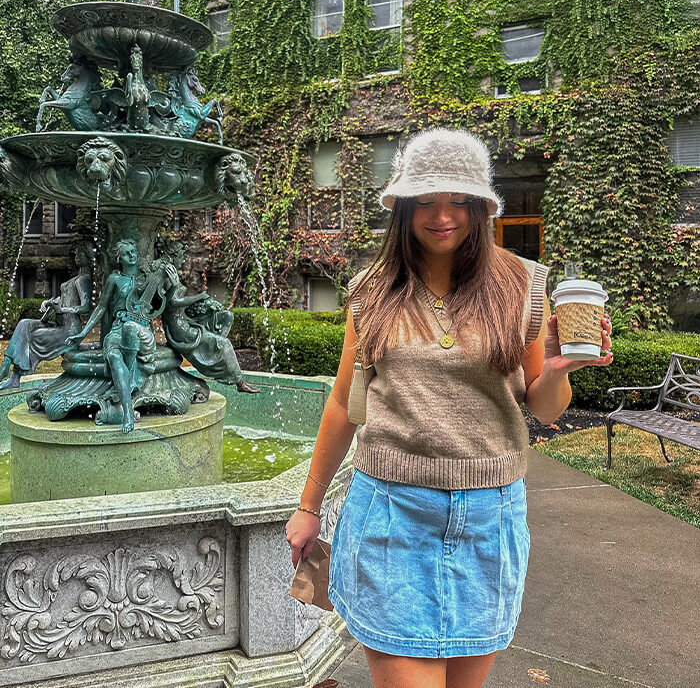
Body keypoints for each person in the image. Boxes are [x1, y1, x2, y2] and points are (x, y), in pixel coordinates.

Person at [284, 128, 613, 688]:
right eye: (427, 200)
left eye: (459, 199)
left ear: (481, 207)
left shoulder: (521, 285)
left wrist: (558, 372)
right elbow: (345, 401)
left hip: (489, 519)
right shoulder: (372, 290)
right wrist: (309, 505)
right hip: (391, 513)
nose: (443, 215)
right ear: (404, 206)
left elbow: (545, 406)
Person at [66, 238, 157, 433]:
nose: (132, 255)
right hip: (117, 329)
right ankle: (127, 411)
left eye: (133, 251)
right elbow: (101, 307)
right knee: (115, 355)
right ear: (119, 258)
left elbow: (165, 302)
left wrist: (173, 282)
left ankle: (129, 373)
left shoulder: (146, 277)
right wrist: (83, 333)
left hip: (141, 330)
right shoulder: (114, 280)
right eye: (127, 253)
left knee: (130, 329)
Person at [158, 238, 260, 393]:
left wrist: (205, 305)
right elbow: (171, 303)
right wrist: (201, 296)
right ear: (173, 256)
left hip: (185, 319)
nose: (183, 259)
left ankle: (209, 350)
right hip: (178, 328)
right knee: (225, 344)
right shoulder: (166, 274)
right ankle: (240, 383)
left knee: (226, 316)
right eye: (181, 256)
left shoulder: (171, 272)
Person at [0, 244, 93, 389]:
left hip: (68, 330)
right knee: (24, 323)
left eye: (80, 254)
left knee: (34, 335)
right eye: (76, 254)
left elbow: (86, 308)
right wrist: (49, 303)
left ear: (88, 257)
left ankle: (14, 375)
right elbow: (63, 300)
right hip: (59, 323)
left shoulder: (84, 279)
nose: (76, 257)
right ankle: (7, 365)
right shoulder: (76, 278)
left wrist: (62, 309)